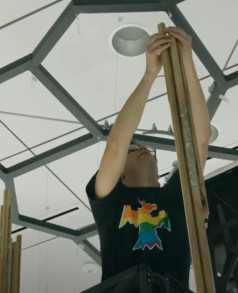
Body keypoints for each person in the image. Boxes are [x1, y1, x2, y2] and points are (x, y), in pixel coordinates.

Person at [85, 26, 211, 290]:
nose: (142, 147)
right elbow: (117, 144)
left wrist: (186, 61)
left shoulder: (177, 198)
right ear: (120, 172)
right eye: (135, 150)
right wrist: (150, 75)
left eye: (143, 148)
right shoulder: (111, 201)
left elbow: (199, 139)